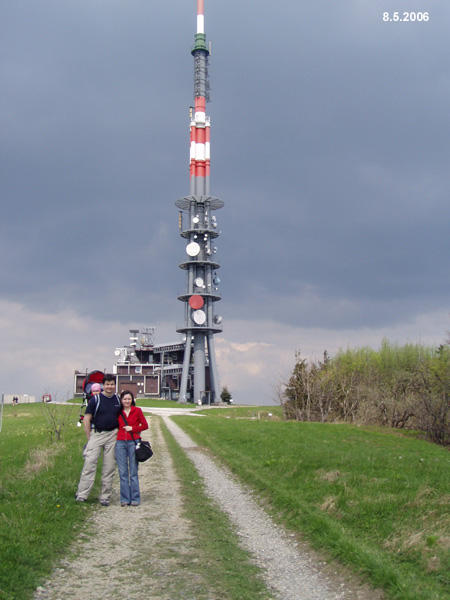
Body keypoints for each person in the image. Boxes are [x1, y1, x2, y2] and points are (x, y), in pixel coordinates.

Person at [75, 374, 121, 506]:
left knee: (109, 467)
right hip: (97, 434)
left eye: (112, 384)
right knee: (89, 464)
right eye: (107, 384)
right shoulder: (95, 400)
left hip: (112, 435)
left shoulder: (118, 400)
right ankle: (82, 494)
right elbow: (87, 419)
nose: (110, 386)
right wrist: (89, 437)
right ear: (103, 385)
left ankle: (105, 496)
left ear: (114, 385)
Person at [115, 390, 149, 506]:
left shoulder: (137, 411)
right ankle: (125, 498)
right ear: (121, 400)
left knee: (133, 471)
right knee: (123, 472)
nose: (127, 401)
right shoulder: (118, 412)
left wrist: (133, 428)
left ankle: (135, 498)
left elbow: (145, 425)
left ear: (132, 400)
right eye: (125, 399)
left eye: (129, 399)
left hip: (133, 442)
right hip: (120, 442)